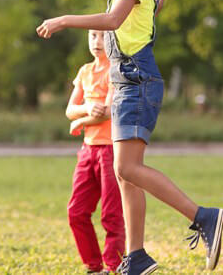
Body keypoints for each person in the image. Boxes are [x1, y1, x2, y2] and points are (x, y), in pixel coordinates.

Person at [37, 0, 223, 274]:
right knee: (125, 172)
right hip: (132, 81)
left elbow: (112, 20)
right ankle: (136, 256)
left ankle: (203, 216)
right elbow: (135, 26)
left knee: (127, 167)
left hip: (134, 82)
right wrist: (160, 3)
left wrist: (63, 20)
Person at [66, 29, 124, 274]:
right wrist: (86, 107)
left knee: (111, 215)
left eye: (103, 36)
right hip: (87, 151)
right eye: (92, 36)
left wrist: (80, 121)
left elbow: (108, 111)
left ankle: (115, 266)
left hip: (111, 150)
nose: (97, 42)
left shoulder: (116, 70)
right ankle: (94, 266)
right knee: (76, 212)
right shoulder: (84, 72)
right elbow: (70, 109)